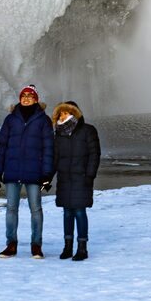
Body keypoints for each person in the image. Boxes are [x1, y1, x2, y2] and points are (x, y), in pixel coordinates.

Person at [0, 84, 54, 258]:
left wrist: (47, 175)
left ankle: (36, 245)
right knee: (11, 209)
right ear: (19, 98)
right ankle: (11, 244)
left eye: (30, 95)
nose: (26, 98)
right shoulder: (10, 119)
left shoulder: (44, 120)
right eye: (23, 95)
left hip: (34, 172)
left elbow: (49, 149)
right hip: (12, 171)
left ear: (36, 99)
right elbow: (2, 146)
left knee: (36, 209)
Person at [50, 100, 100, 261]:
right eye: (61, 113)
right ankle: (67, 247)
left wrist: (90, 175)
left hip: (81, 178)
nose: (63, 116)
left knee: (79, 211)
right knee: (67, 213)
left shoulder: (88, 131)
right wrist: (47, 177)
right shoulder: (58, 134)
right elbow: (54, 158)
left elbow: (94, 154)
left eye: (67, 112)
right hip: (64, 178)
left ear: (75, 113)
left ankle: (82, 248)